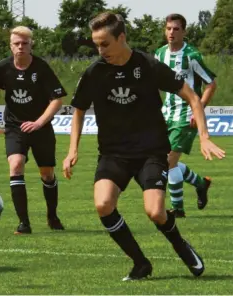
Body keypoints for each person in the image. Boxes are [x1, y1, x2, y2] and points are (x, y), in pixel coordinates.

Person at [62, 12, 225, 281]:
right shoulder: (95, 72)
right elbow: (78, 109)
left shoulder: (149, 65)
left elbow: (193, 97)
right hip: (113, 153)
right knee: (103, 204)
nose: (100, 51)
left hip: (151, 151)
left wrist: (205, 135)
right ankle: (141, 264)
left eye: (105, 44)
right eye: (96, 45)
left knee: (155, 212)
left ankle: (180, 245)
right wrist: (72, 150)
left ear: (121, 38)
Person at [0, 26, 67, 234]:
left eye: (24, 43)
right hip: (14, 126)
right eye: (16, 43)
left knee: (47, 174)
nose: (20, 47)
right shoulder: (2, 68)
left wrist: (39, 122)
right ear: (11, 46)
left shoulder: (42, 68)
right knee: (16, 165)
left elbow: (57, 100)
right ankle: (24, 223)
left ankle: (52, 216)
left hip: (41, 127)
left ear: (31, 45)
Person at [155, 14, 217, 217]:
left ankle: (178, 209)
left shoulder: (191, 56)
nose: (171, 33)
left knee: (167, 161)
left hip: (186, 115)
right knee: (163, 160)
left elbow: (211, 84)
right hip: (166, 114)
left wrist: (199, 107)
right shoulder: (159, 54)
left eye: (176, 29)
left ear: (184, 31)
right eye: (168, 28)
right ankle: (200, 183)